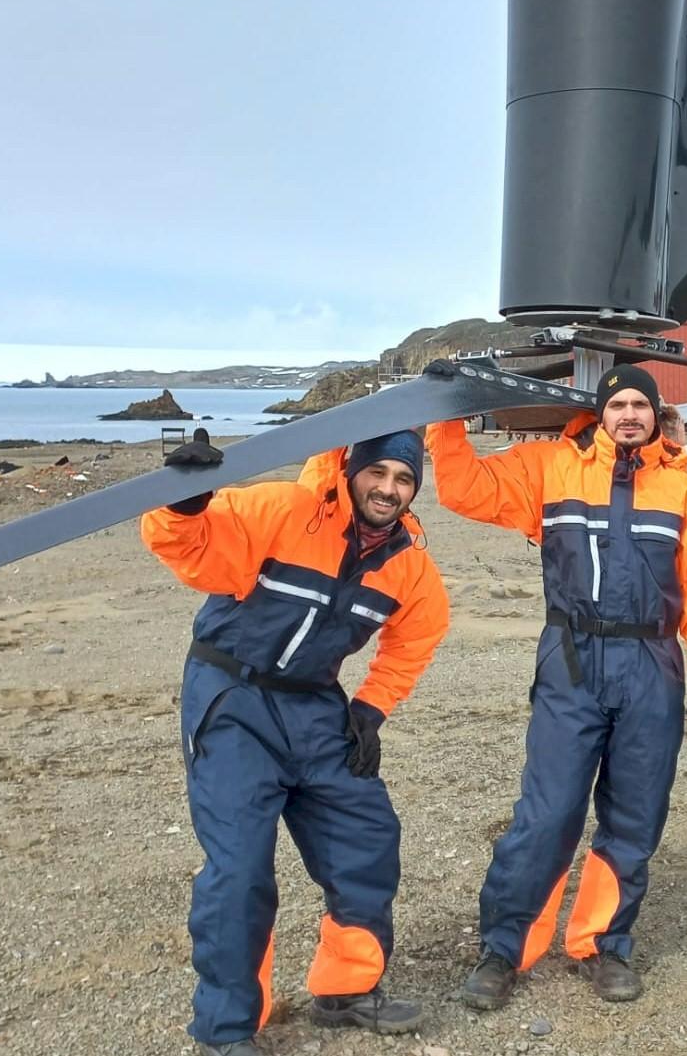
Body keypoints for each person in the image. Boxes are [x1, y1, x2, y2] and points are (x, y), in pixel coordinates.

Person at [423, 363, 687, 1007]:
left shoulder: (683, 493)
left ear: (654, 416)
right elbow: (462, 488)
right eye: (616, 404)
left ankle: (603, 944)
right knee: (548, 809)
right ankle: (505, 949)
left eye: (639, 407)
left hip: (652, 660)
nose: (628, 415)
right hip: (571, 657)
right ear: (600, 412)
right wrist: (447, 411)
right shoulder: (549, 468)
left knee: (635, 813)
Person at [142, 428, 449, 1054]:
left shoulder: (406, 561)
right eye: (379, 473)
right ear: (351, 470)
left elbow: (419, 635)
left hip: (316, 703)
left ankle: (345, 988)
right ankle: (228, 1029)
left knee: (366, 838)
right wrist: (184, 501)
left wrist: (370, 710)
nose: (388, 489)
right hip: (234, 695)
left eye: (404, 480)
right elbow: (192, 550)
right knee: (240, 868)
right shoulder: (283, 510)